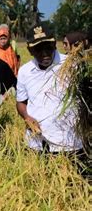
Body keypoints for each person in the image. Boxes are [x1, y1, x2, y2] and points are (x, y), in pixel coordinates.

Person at [16, 26, 83, 154]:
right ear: (30, 51)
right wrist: (26, 117)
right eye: (38, 49)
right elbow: (21, 102)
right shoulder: (25, 71)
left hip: (70, 141)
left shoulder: (71, 65)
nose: (44, 53)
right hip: (37, 143)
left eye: (48, 47)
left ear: (54, 45)